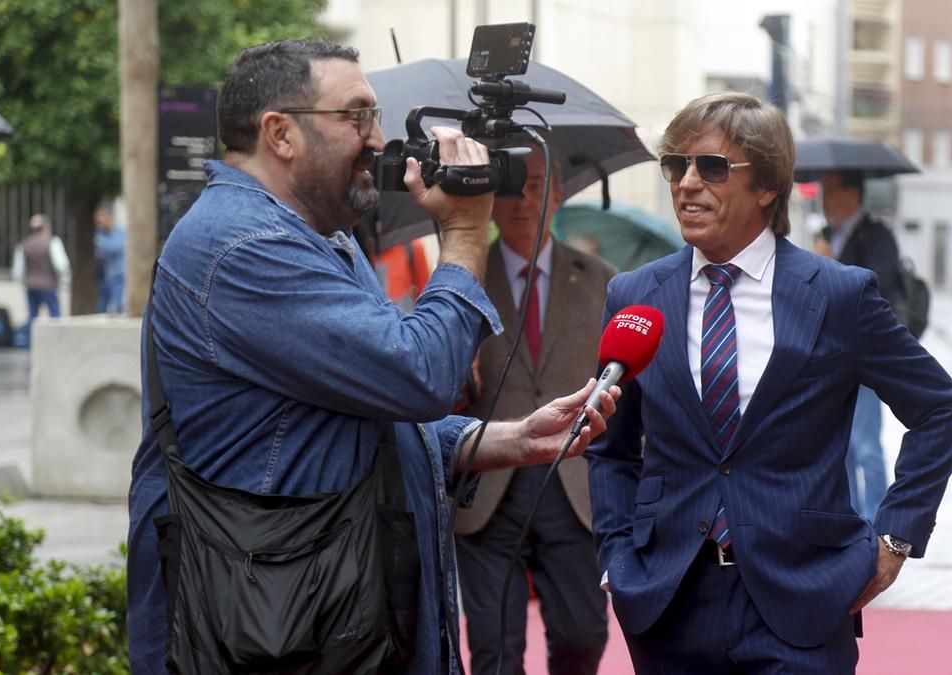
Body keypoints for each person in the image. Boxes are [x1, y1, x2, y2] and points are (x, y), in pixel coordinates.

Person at [126, 39, 617, 675]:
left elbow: (369, 417)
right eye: (356, 117)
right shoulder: (243, 247)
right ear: (280, 133)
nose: (381, 139)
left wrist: (511, 440)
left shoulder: (321, 236)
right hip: (273, 633)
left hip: (329, 618)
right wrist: (467, 233)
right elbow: (418, 377)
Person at [586, 92, 952, 673]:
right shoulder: (633, 295)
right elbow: (609, 447)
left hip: (803, 601)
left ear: (766, 186)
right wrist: (617, 558)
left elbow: (939, 409)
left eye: (711, 167)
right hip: (667, 603)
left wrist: (895, 538)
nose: (687, 183)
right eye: (676, 165)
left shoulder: (839, 295)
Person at [454, 146, 616, 675]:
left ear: (559, 195)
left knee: (583, 636)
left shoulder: (603, 282)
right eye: (510, 187)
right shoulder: (460, 285)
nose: (523, 200)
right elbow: (429, 391)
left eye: (536, 185)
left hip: (574, 489)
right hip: (488, 492)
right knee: (493, 652)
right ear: (491, 199)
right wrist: (455, 366)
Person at [817, 169, 905, 521]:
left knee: (866, 443)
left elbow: (875, 289)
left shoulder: (878, 236)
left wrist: (831, 264)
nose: (824, 200)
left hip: (866, 353)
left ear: (853, 195)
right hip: (831, 353)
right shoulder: (824, 235)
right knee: (841, 447)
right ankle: (851, 517)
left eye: (831, 191)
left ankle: (874, 520)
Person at [11, 213, 70, 326]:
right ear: (46, 227)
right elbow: (62, 265)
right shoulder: (52, 242)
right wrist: (64, 282)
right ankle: (57, 341)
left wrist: (25, 282)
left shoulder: (24, 244)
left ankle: (31, 342)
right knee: (55, 318)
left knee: (33, 318)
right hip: (49, 286)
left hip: (31, 285)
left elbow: (17, 271)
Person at [93, 206, 126, 314]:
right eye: (98, 222)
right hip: (104, 275)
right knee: (102, 307)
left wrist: (101, 242)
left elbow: (117, 247)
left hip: (118, 274)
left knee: (119, 305)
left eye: (102, 220)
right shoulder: (100, 233)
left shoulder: (119, 233)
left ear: (110, 218)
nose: (101, 224)